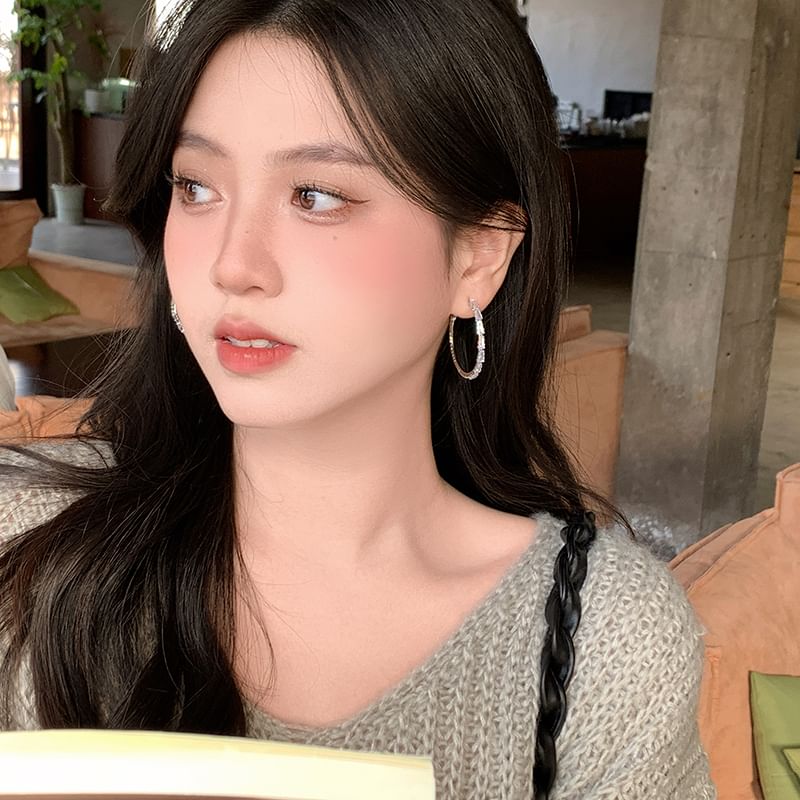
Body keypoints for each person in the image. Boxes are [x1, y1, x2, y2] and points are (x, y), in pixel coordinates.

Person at [0, 1, 716, 797]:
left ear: (479, 257)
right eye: (197, 186)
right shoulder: (24, 544)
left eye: (315, 195)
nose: (233, 264)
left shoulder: (603, 643)